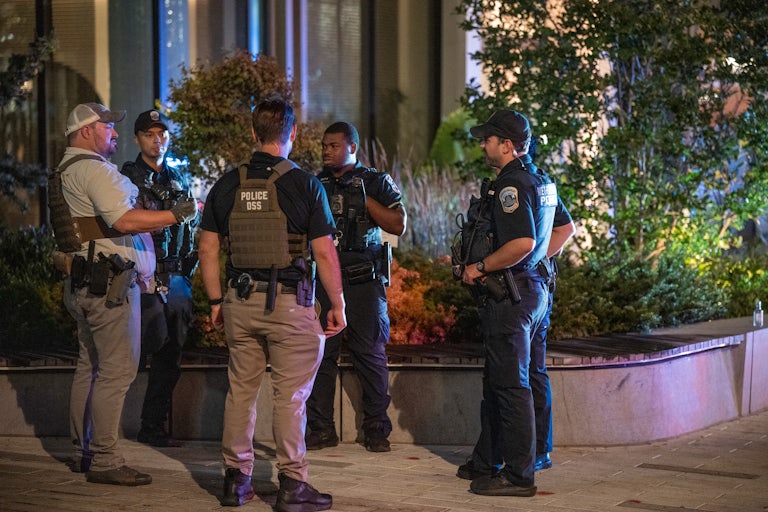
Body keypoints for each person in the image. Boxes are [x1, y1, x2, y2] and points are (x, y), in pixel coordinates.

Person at [198, 98, 346, 510]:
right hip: (288, 305)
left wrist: (215, 300)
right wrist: (337, 303)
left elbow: (207, 248)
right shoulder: (305, 185)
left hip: (238, 303)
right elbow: (324, 253)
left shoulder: (227, 184)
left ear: (253, 133)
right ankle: (293, 485)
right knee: (290, 398)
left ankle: (235, 480)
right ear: (292, 134)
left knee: (240, 393)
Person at [51, 103, 198, 486]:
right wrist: (176, 214)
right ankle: (105, 460)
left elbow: (96, 226)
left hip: (85, 283)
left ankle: (83, 449)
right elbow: (124, 220)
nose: (114, 134)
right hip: (109, 288)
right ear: (86, 132)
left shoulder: (66, 170)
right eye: (108, 128)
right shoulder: (94, 170)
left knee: (90, 368)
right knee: (116, 373)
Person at [457, 138, 576, 479]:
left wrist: (480, 268)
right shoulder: (540, 179)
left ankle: (518, 473)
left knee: (508, 383)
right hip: (535, 291)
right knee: (531, 375)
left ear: (507, 144)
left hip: (511, 296)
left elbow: (522, 243)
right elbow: (566, 229)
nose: (482, 145)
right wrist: (536, 262)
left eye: (488, 139)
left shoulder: (511, 183)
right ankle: (524, 455)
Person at [305, 121, 407, 453]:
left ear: (353, 147)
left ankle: (376, 429)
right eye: (324, 146)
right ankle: (321, 429)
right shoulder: (314, 183)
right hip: (325, 280)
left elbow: (398, 223)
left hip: (365, 280)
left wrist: (366, 202)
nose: (326, 151)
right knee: (321, 356)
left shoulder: (375, 181)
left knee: (371, 355)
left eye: (333, 145)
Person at [121, 109, 199, 447]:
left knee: (170, 357)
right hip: (143, 277)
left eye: (163, 133)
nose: (158, 140)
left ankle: (153, 428)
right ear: (138, 138)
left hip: (177, 276)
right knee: (132, 355)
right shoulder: (126, 177)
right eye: (150, 134)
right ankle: (108, 430)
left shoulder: (178, 178)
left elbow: (191, 229)